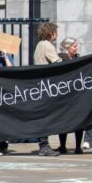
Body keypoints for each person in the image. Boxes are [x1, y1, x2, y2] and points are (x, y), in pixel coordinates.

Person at [32, 22, 61, 156]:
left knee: (43, 116)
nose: (56, 34)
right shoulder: (47, 45)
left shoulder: (39, 45)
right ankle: (44, 145)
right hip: (46, 85)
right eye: (55, 32)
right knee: (46, 117)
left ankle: (43, 144)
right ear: (50, 33)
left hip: (40, 84)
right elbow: (57, 62)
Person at [56, 37, 84, 154]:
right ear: (67, 47)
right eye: (74, 46)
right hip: (64, 93)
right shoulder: (61, 58)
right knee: (63, 119)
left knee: (79, 120)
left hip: (77, 93)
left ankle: (78, 146)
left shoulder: (78, 58)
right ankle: (62, 145)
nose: (76, 48)